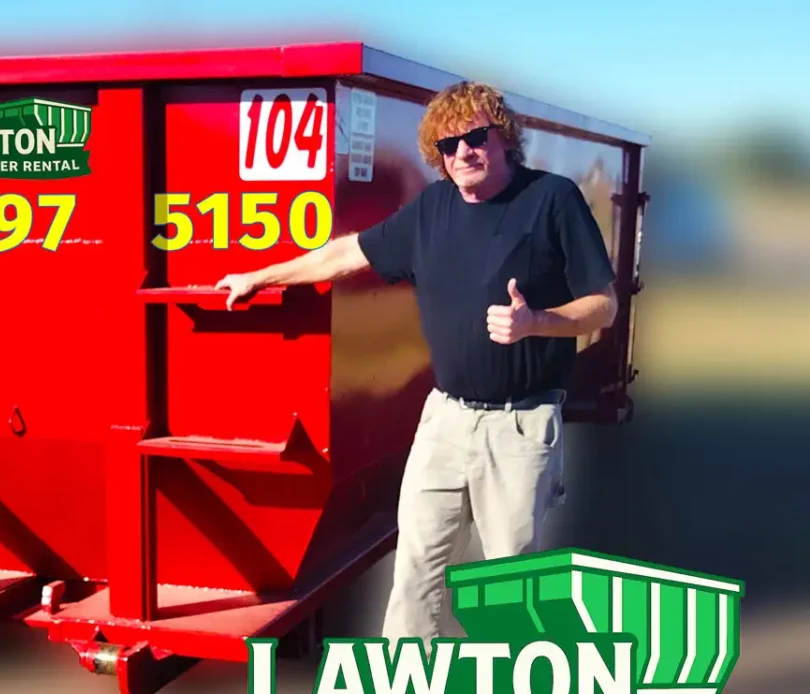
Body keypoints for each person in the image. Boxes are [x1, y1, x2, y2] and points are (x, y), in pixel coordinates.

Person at [214, 81, 618, 646]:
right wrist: (259, 276)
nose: (463, 154)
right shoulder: (433, 208)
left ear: (503, 137)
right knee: (417, 572)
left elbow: (604, 303)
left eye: (475, 137)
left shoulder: (552, 199)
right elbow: (344, 253)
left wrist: (537, 322)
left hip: (520, 425)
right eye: (448, 146)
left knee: (508, 580)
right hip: (445, 421)